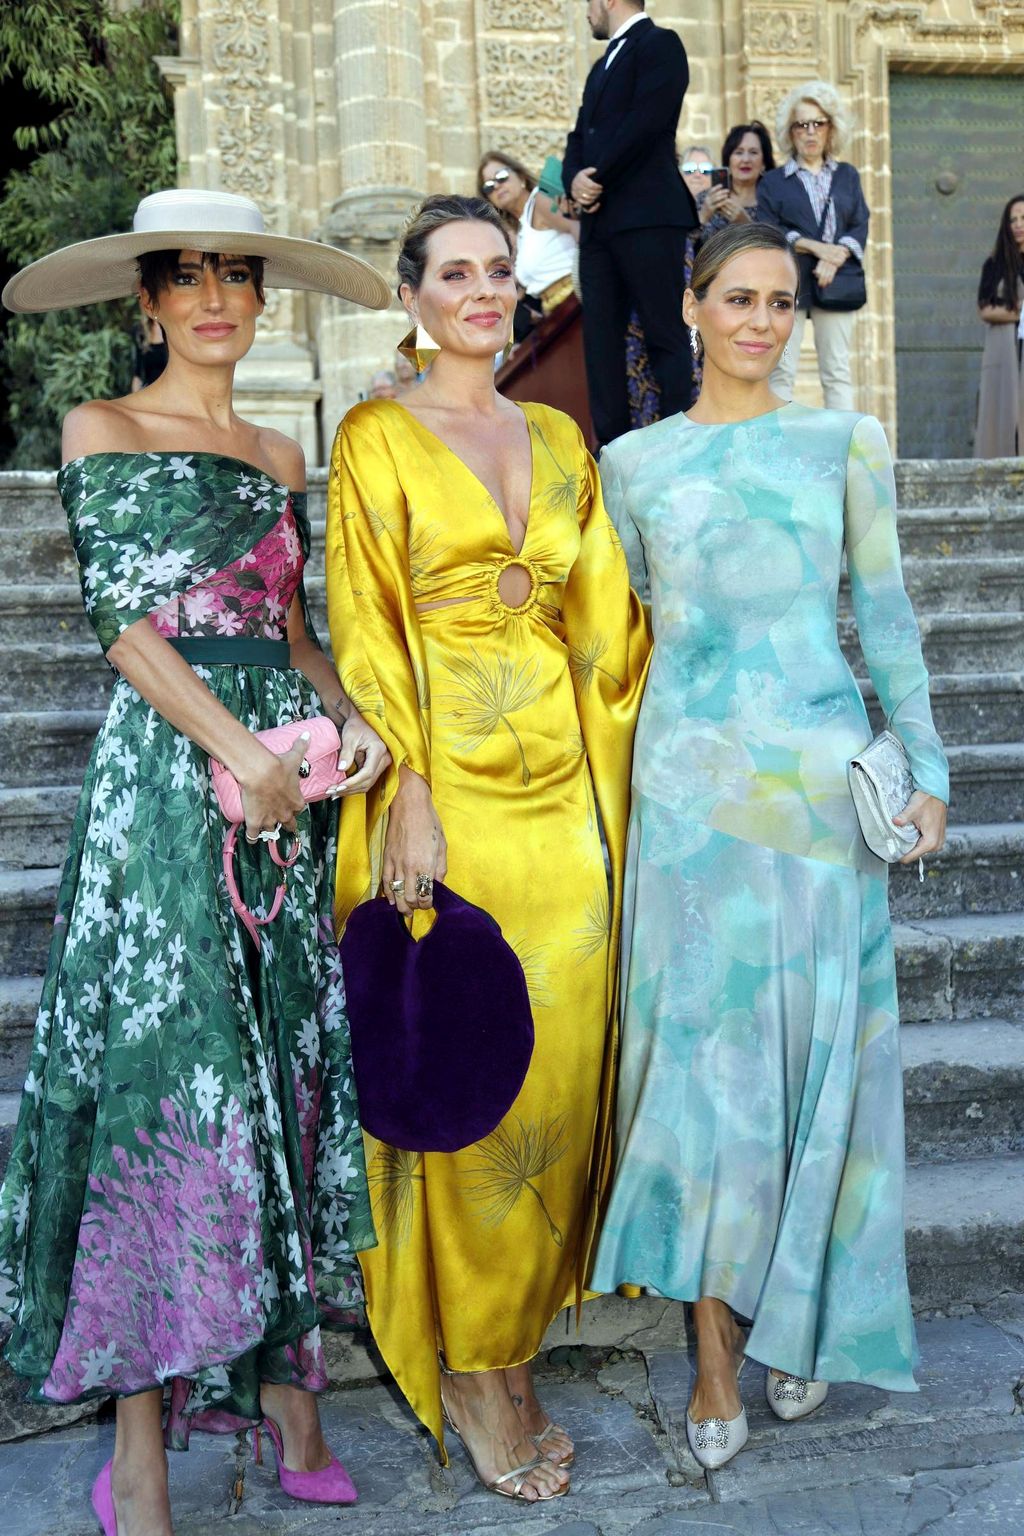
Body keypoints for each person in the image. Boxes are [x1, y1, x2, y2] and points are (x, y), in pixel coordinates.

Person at [0, 188, 392, 1536]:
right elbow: (126, 628)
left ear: (259, 301)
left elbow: (293, 636)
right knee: (171, 1097)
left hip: (279, 791)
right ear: (149, 301)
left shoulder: (287, 453)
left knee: (276, 1075)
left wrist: (350, 726)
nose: (217, 297)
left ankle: (289, 1396)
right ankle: (141, 1453)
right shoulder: (101, 430)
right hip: (166, 798)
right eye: (189, 277)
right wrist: (245, 753)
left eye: (239, 276)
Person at [591, 223, 948, 1471]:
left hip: (816, 801)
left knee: (818, 1078)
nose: (759, 320)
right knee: (702, 1084)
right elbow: (628, 636)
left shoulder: (842, 443)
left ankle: (801, 1320)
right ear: (690, 308)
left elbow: (884, 612)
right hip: (688, 808)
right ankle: (709, 1355)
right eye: (735, 298)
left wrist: (929, 767)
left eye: (781, 302)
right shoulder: (629, 464)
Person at [325, 194, 650, 1503]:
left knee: (557, 1090)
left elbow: (608, 630)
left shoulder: (565, 436)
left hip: (565, 818)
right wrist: (403, 790)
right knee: (471, 1090)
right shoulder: (374, 439)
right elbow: (365, 632)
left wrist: (655, 789)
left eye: (498, 271)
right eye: (453, 272)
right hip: (443, 804)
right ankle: (471, 1366)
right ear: (410, 297)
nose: (480, 290)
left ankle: (516, 1349)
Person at [563, 0, 698, 446]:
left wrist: (596, 177)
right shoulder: (600, 66)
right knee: (599, 348)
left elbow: (647, 123)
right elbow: (578, 136)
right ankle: (615, 455)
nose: (586, 13)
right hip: (599, 229)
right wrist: (574, 178)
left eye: (587, 3)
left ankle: (679, 446)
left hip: (649, 217)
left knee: (665, 334)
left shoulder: (662, 45)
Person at [757, 81, 869, 410]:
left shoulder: (847, 175)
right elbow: (769, 229)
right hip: (786, 283)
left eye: (818, 123)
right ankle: (781, 447)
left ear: (830, 128)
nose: (810, 132)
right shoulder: (774, 182)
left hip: (834, 281)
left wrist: (835, 258)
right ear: (789, 132)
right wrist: (817, 249)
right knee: (781, 370)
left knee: (836, 371)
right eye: (801, 124)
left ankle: (845, 451)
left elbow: (860, 221)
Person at [478, 149, 578, 315]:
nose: (497, 186)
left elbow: (582, 232)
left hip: (579, 301)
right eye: (488, 186)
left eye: (501, 176)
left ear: (521, 177)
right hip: (556, 314)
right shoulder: (522, 231)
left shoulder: (541, 200)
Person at [974, 194, 1024, 457]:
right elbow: (986, 308)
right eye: (1012, 219)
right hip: (1007, 352)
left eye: (1023, 218)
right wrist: (1020, 312)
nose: (1018, 224)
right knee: (1005, 420)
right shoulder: (995, 265)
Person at [697, 121, 775, 238]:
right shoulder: (705, 199)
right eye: (739, 152)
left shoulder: (773, 203)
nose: (746, 159)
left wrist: (746, 224)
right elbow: (681, 248)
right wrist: (702, 217)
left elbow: (779, 248)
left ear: (764, 163)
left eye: (753, 152)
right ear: (728, 160)